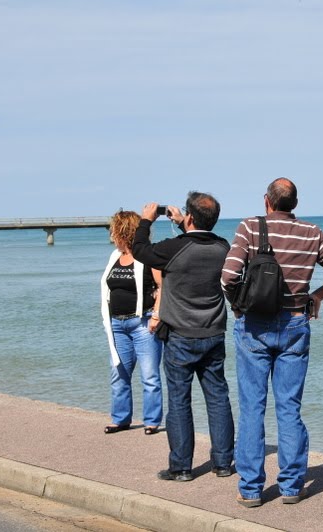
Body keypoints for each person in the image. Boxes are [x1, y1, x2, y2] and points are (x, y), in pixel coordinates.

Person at [221, 178, 323, 507]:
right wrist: (316, 297)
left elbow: (227, 277)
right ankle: (292, 486)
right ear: (294, 204)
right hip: (296, 322)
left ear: (267, 201)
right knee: (289, 408)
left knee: (252, 408)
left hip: (254, 325)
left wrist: (239, 307)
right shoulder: (311, 232)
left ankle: (251, 489)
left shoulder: (250, 228)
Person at [132, 192, 235, 482]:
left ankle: (181, 467)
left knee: (179, 400)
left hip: (179, 335)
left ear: (189, 217)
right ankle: (223, 463)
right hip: (213, 332)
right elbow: (196, 241)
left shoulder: (173, 249)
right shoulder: (222, 247)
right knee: (218, 398)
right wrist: (182, 224)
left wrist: (146, 220)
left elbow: (140, 250)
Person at [101, 210, 164, 435]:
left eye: (113, 230)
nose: (111, 235)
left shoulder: (147, 255)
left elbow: (162, 285)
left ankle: (151, 421)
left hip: (143, 323)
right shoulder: (114, 257)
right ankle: (120, 418)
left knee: (149, 375)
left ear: (122, 231)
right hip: (116, 324)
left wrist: (157, 315)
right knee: (119, 372)